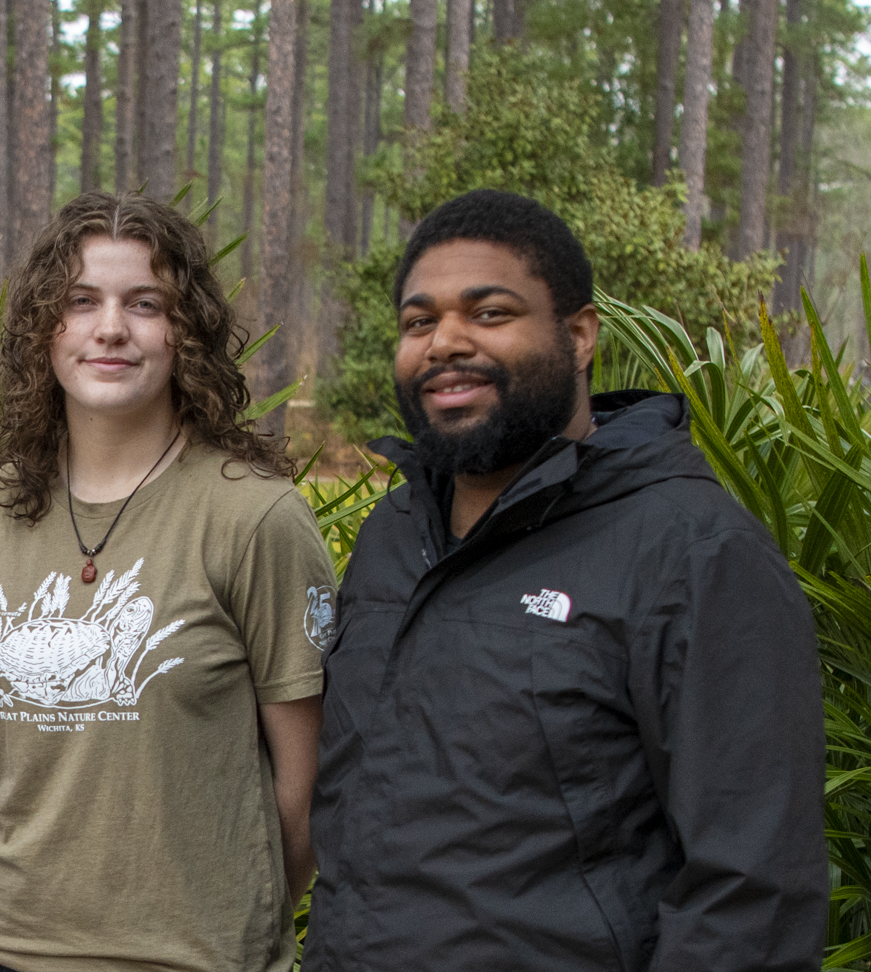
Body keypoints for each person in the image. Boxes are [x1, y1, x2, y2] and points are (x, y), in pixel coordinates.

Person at [304, 189, 830, 971]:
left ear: (580, 335)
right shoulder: (392, 539)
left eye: (488, 313)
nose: (445, 341)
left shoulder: (692, 551)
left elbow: (754, 890)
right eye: (420, 322)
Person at [0, 192, 333, 972]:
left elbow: (310, 785)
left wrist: (225, 916)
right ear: (43, 330)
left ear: (185, 333)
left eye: (144, 303)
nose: (110, 328)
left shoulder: (253, 517)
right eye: (80, 302)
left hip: (187, 956)